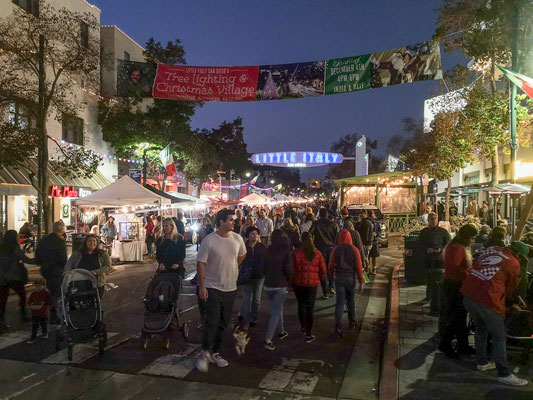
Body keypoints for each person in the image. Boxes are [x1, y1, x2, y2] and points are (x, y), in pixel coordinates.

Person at [461, 242, 530, 386]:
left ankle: (482, 362)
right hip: (487, 300)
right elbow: (511, 290)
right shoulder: (514, 263)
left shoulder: (491, 249)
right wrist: (512, 304)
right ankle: (504, 373)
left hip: (468, 294)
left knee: (481, 328)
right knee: (499, 336)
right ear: (518, 254)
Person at [195, 209, 247, 372]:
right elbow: (201, 264)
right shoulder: (209, 240)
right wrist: (202, 286)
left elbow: (242, 255)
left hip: (230, 287)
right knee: (212, 321)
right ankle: (205, 353)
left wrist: (231, 267)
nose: (234, 222)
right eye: (231, 220)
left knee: (224, 323)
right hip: (212, 287)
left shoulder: (237, 238)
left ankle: (216, 352)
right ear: (222, 222)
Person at [438, 224, 478, 358]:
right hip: (455, 285)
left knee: (460, 317)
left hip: (456, 284)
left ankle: (463, 345)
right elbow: (454, 269)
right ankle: (446, 344)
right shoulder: (457, 248)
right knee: (456, 316)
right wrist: (469, 274)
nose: (473, 241)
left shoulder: (455, 246)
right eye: (472, 238)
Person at [291, 232, 326, 343]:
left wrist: (291, 282)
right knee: (309, 308)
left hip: (299, 283)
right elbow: (323, 270)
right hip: (312, 284)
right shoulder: (317, 253)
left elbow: (293, 269)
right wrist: (319, 279)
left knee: (301, 305)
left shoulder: (296, 253)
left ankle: (302, 326)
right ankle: (308, 333)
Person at [329, 229, 364, 337]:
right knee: (351, 301)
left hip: (339, 278)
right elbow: (359, 267)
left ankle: (338, 327)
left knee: (339, 303)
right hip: (351, 278)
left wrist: (331, 277)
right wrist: (361, 281)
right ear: (350, 238)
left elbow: (330, 266)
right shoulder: (355, 250)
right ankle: (352, 321)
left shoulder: (335, 249)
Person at [262, 229, 292, 350]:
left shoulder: (268, 250)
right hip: (280, 285)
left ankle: (281, 331)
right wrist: (290, 281)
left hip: (268, 284)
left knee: (277, 308)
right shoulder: (286, 251)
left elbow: (264, 266)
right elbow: (288, 269)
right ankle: (268, 339)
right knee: (275, 311)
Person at [417, 213, 451, 316]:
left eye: (435, 218)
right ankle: (429, 296)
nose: (434, 220)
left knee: (437, 279)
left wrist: (441, 250)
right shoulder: (424, 232)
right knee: (429, 278)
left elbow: (448, 244)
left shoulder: (443, 232)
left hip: (439, 259)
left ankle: (435, 299)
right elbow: (419, 245)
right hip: (428, 258)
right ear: (428, 220)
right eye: (432, 218)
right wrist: (427, 250)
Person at [0, 230, 35, 330]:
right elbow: (25, 259)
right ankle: (24, 314)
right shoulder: (14, 249)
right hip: (14, 277)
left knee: (3, 299)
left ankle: (2, 319)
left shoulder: (2, 248)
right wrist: (38, 260)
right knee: (22, 295)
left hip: (3, 278)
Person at [35, 221, 67, 325]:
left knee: (51, 290)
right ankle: (53, 314)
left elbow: (37, 257)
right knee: (56, 293)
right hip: (57, 270)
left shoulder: (43, 240)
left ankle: (47, 313)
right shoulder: (60, 242)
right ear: (62, 230)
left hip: (45, 270)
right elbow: (63, 258)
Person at [64, 234, 113, 299]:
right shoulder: (78, 253)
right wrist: (69, 274)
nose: (92, 243)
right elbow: (69, 264)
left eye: (94, 241)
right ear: (85, 242)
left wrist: (95, 272)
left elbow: (108, 267)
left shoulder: (102, 253)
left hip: (97, 283)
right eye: (89, 241)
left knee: (96, 302)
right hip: (80, 282)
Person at [237, 226, 267, 331]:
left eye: (257, 233)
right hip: (246, 276)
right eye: (253, 233)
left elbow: (266, 261)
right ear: (248, 236)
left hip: (259, 276)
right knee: (247, 297)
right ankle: (246, 319)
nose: (255, 235)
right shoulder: (243, 247)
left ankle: (253, 318)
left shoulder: (262, 247)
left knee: (256, 299)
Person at [310, 208, 338, 299]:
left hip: (320, 248)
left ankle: (325, 291)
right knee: (331, 268)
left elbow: (310, 233)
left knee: (322, 270)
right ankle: (332, 286)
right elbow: (336, 236)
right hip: (331, 248)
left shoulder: (316, 223)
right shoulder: (332, 224)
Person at [27, 277, 52, 343]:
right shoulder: (33, 294)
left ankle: (45, 333)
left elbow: (50, 301)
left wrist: (49, 307)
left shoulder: (46, 293)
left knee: (44, 324)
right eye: (36, 286)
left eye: (39, 286)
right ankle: (33, 337)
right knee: (35, 325)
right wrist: (30, 305)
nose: (37, 288)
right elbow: (29, 301)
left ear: (43, 286)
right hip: (35, 312)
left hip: (43, 312)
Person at [368, 211, 381, 275]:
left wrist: (376, 234)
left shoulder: (376, 223)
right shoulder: (367, 222)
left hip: (375, 241)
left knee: (374, 256)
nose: (373, 215)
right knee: (367, 256)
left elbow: (379, 231)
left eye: (373, 214)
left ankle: (374, 269)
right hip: (368, 241)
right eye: (372, 214)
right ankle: (368, 269)